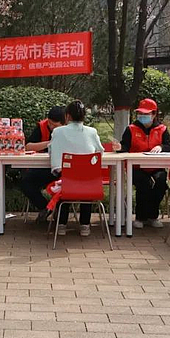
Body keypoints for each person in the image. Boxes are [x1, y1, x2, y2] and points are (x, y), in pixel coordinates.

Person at [113, 98, 170, 228]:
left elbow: (169, 146)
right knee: (144, 184)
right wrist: (119, 147)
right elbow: (125, 146)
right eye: (140, 113)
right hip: (136, 167)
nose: (142, 116)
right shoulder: (131, 129)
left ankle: (153, 216)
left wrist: (161, 147)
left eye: (146, 114)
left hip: (156, 167)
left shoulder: (162, 129)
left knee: (161, 182)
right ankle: (140, 217)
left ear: (154, 114)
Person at [48, 100, 104, 236]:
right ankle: (85, 225)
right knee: (85, 182)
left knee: (66, 180)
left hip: (65, 179)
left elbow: (51, 150)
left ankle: (61, 224)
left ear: (67, 116)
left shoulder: (58, 132)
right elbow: (100, 151)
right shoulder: (92, 132)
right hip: (89, 181)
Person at [20, 106, 67, 222]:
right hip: (43, 168)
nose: (51, 127)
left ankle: (61, 218)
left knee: (67, 185)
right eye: (50, 123)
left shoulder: (70, 130)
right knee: (25, 182)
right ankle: (45, 207)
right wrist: (50, 143)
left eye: (55, 125)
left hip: (63, 170)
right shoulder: (42, 126)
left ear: (64, 124)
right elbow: (27, 146)